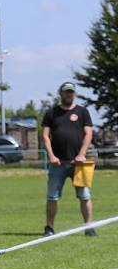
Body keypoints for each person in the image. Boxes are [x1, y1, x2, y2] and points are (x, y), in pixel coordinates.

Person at [42, 82, 95, 237]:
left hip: (78, 165)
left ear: (74, 94)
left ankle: (89, 227)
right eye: (66, 92)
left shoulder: (82, 112)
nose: (69, 94)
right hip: (57, 164)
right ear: (61, 94)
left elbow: (89, 133)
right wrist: (51, 156)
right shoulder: (52, 113)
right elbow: (45, 135)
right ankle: (49, 228)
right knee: (52, 196)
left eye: (71, 92)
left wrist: (81, 154)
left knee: (85, 196)